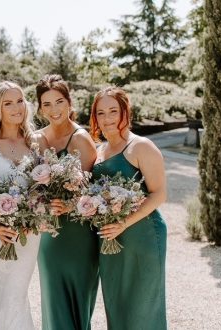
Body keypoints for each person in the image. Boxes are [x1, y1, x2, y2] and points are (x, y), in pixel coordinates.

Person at [90, 86, 167, 329]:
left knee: (142, 307)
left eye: (114, 111)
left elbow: (159, 194)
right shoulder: (99, 151)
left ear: (126, 112)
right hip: (110, 239)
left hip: (141, 235)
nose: (107, 118)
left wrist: (123, 222)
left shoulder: (141, 146)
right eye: (101, 113)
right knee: (116, 302)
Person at [0, 81, 47, 330]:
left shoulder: (35, 143)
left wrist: (33, 217)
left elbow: (43, 190)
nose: (16, 107)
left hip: (28, 233)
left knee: (17, 292)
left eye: (19, 101)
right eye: (8, 103)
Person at [35, 74, 100, 330]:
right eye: (47, 104)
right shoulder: (37, 138)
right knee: (53, 301)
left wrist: (70, 205)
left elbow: (92, 192)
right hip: (50, 236)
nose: (54, 109)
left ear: (69, 102)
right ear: (40, 108)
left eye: (59, 101)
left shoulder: (81, 139)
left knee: (77, 302)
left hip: (78, 235)